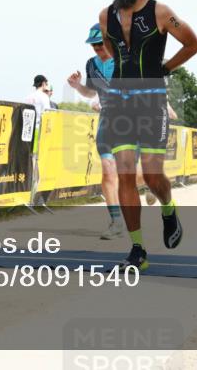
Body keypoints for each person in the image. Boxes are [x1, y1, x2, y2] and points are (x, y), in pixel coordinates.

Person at [98, 0, 197, 269]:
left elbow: (193, 43)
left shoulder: (160, 11)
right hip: (120, 104)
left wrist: (165, 68)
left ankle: (168, 209)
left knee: (153, 176)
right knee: (125, 174)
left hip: (152, 103)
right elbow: (112, 50)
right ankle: (138, 249)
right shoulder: (105, 17)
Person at [67, 24, 123, 239]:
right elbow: (92, 92)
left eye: (100, 44)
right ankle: (116, 221)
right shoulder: (92, 64)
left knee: (131, 175)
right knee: (108, 170)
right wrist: (77, 86)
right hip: (107, 121)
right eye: (94, 45)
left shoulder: (125, 61)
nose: (97, 49)